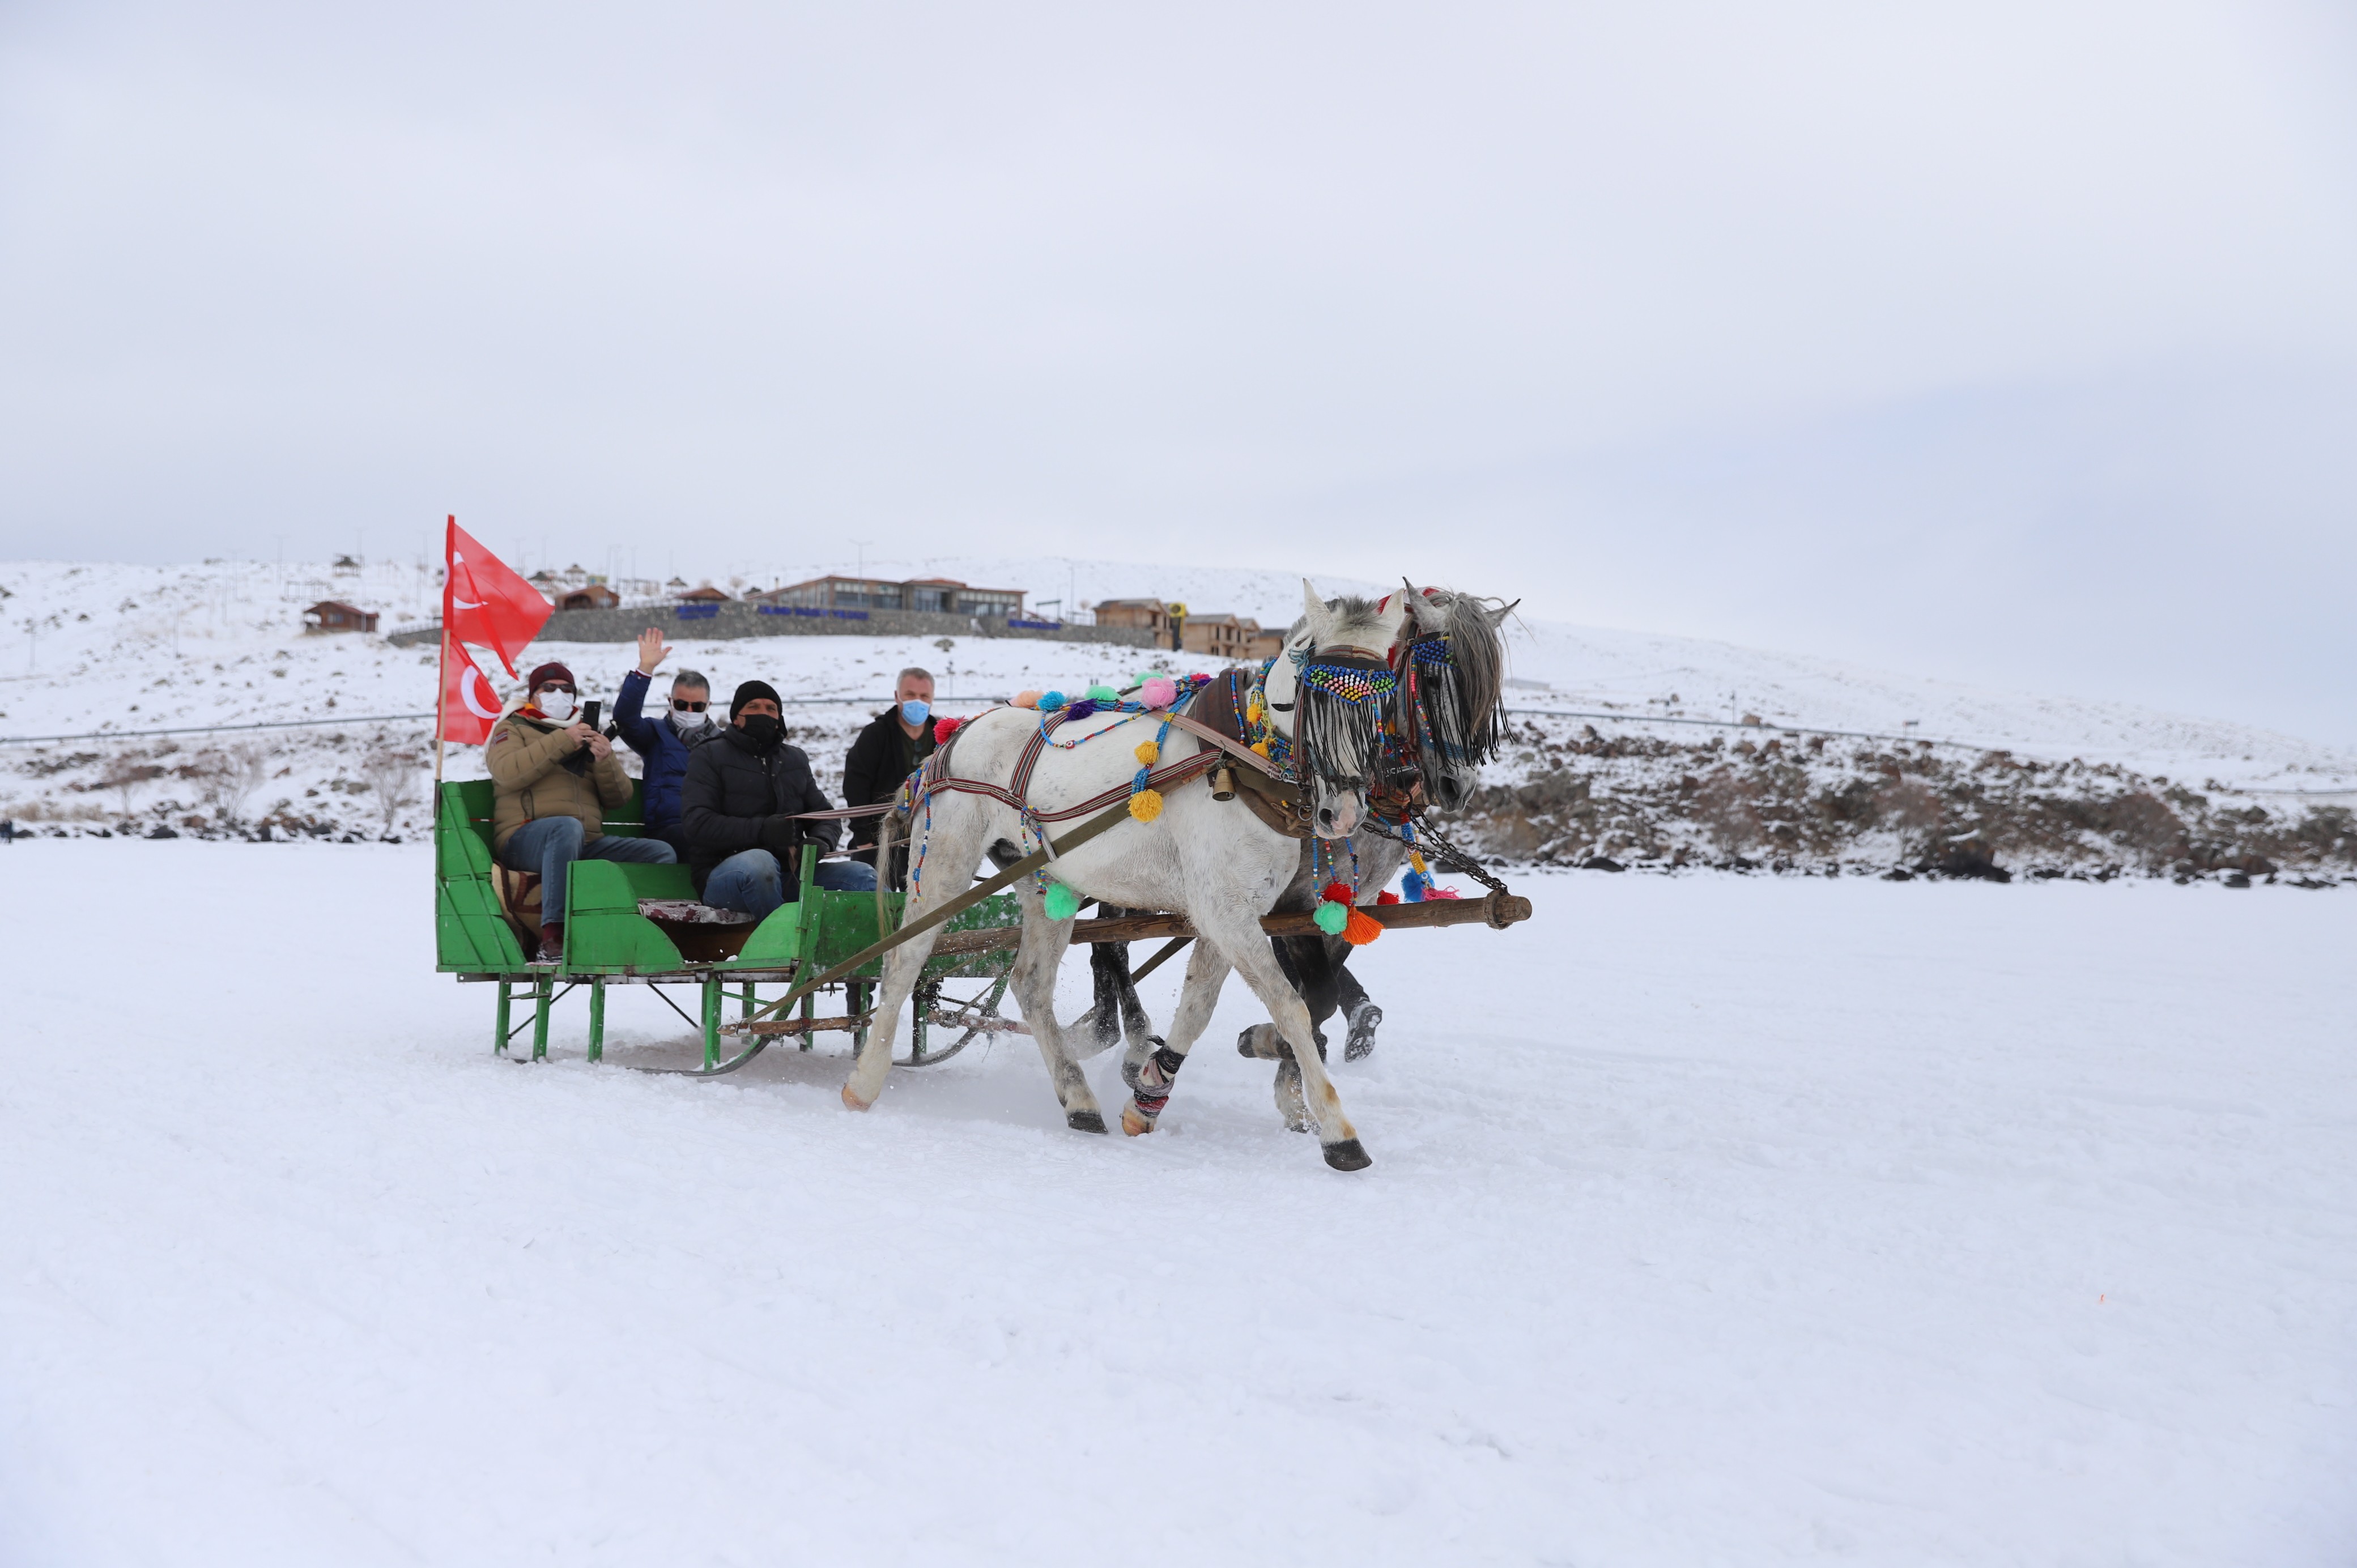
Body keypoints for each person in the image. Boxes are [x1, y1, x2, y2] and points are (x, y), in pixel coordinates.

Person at [488, 661, 677, 964]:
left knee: (660, 853)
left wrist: (604, 760)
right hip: (526, 839)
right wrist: (564, 740)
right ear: (532, 695)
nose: (558, 695)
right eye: (548, 689)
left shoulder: (584, 732)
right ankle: (554, 935)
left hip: (583, 843)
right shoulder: (512, 727)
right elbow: (507, 772)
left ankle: (633, 928)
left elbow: (620, 798)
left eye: (567, 690)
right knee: (566, 827)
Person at [682, 678, 878, 918]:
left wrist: (822, 841)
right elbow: (697, 823)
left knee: (862, 875)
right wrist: (761, 830)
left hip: (790, 874)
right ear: (736, 717)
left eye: (771, 708)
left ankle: (896, 945)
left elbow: (825, 817)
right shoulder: (709, 755)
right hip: (723, 877)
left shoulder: (794, 759)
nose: (763, 713)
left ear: (778, 720)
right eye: (753, 707)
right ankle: (782, 945)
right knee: (760, 864)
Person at [610, 627, 720, 856]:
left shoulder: (723, 743)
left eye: (697, 706)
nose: (689, 711)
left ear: (708, 707)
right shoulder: (655, 734)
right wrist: (645, 670)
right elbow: (624, 719)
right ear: (671, 702)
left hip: (713, 828)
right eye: (681, 705)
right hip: (668, 828)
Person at [841, 666, 937, 881]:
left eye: (924, 696)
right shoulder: (876, 735)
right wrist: (863, 838)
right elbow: (856, 787)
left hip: (925, 845)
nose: (917, 702)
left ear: (932, 699)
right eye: (910, 695)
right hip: (878, 842)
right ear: (897, 696)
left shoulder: (943, 739)